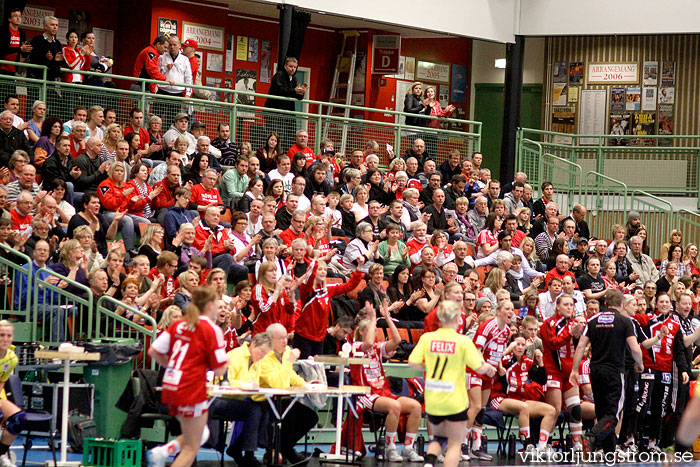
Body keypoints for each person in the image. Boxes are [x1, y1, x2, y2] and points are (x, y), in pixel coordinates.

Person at [146, 286, 229, 467]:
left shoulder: (179, 325)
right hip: (190, 387)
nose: (219, 308)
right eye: (216, 303)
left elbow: (153, 351)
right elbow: (220, 370)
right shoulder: (211, 329)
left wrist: (174, 366)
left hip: (170, 385)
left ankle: (163, 451)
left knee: (200, 433)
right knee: (192, 446)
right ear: (208, 305)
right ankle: (164, 453)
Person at [409, 300, 495, 467]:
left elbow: (412, 362)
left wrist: (429, 366)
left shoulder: (427, 338)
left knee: (438, 438)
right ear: (457, 319)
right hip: (455, 400)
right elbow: (479, 366)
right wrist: (489, 368)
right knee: (454, 444)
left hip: (434, 399)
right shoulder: (462, 341)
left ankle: (429, 463)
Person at [570, 289, 642, 454]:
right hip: (615, 371)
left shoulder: (593, 319)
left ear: (606, 304)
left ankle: (609, 452)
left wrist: (574, 369)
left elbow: (581, 346)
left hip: (595, 370)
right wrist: (640, 364)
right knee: (614, 414)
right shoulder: (625, 321)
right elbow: (635, 348)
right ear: (622, 304)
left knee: (602, 412)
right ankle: (591, 435)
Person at [351, 301, 424, 462]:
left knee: (415, 406)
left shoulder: (377, 347)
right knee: (395, 405)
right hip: (365, 394)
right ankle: (390, 448)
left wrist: (387, 317)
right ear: (362, 331)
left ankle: (408, 449)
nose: (374, 333)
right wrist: (372, 319)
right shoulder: (354, 346)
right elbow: (368, 342)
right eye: (372, 330)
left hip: (382, 392)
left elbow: (397, 341)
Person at [259, 323, 317, 465]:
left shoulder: (285, 353)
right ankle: (286, 450)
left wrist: (304, 384)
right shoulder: (264, 356)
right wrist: (290, 360)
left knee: (310, 417)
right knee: (290, 417)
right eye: (280, 338)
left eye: (286, 337)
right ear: (270, 339)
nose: (285, 341)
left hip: (283, 398)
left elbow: (290, 374)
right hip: (265, 399)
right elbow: (276, 383)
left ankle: (283, 448)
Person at [210, 332, 270, 467]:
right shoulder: (235, 355)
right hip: (219, 398)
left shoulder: (257, 361)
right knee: (254, 410)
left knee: (265, 409)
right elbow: (225, 382)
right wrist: (246, 385)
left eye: (265, 354)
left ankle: (237, 448)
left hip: (239, 399)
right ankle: (248, 453)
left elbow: (256, 382)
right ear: (253, 344)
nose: (262, 356)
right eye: (261, 351)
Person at [540, 294, 586, 450]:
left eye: (571, 305)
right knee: (555, 409)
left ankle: (577, 443)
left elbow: (580, 348)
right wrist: (570, 334)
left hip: (570, 371)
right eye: (565, 304)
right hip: (553, 370)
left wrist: (580, 336)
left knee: (576, 407)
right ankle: (545, 444)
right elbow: (553, 344)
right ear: (557, 306)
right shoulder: (549, 323)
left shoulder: (575, 323)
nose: (569, 307)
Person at [294, 258, 364, 358]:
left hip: (320, 338)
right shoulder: (307, 289)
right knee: (303, 369)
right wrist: (316, 258)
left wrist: (359, 268)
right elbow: (309, 277)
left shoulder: (328, 290)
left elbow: (349, 286)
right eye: (320, 269)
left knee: (318, 370)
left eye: (325, 270)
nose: (323, 272)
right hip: (304, 336)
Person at [264, 57, 307, 150]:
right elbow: (280, 90)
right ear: (285, 66)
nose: (293, 69)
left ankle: (286, 154)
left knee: (288, 134)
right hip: (274, 110)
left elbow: (296, 95)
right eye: (291, 66)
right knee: (276, 135)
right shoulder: (279, 75)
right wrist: (294, 90)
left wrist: (302, 92)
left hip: (288, 112)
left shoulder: (294, 79)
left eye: (295, 67)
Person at [28, 16, 62, 81]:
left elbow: (57, 63)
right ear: (45, 27)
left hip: (50, 79)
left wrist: (54, 60)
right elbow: (32, 58)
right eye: (52, 25)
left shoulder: (58, 43)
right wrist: (45, 57)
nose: (55, 27)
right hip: (36, 77)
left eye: (56, 25)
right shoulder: (37, 40)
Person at [0, 8, 31, 76]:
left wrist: (26, 50)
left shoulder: (21, 32)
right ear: (9, 19)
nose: (18, 18)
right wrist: (20, 48)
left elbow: (23, 54)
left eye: (20, 16)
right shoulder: (3, 31)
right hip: (1, 67)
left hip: (13, 68)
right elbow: (3, 49)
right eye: (15, 16)